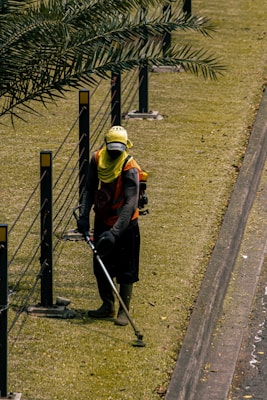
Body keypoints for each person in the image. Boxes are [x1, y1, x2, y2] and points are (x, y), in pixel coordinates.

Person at [77, 125, 141, 326]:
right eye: (111, 149)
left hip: (125, 224)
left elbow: (131, 203)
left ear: (125, 147)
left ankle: (124, 310)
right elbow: (89, 189)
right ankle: (107, 305)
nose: (114, 153)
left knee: (126, 268)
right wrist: (84, 216)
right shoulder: (97, 159)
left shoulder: (130, 167)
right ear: (106, 145)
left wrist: (115, 232)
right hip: (103, 219)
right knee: (100, 264)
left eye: (118, 150)